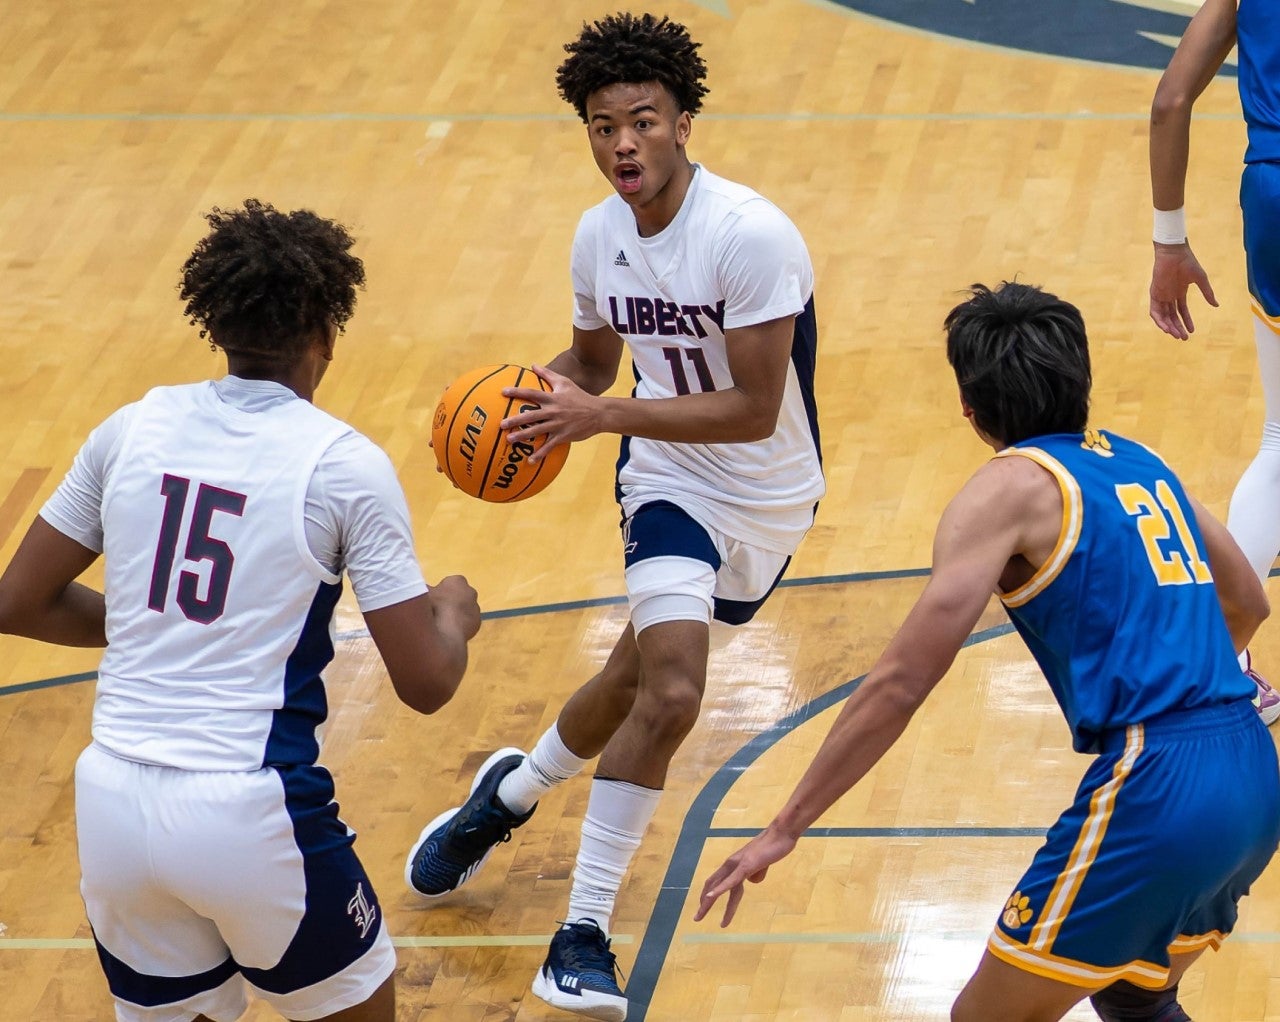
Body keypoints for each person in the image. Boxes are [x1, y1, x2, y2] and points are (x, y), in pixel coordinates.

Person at [696, 281, 1280, 1022]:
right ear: (1082, 381)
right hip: (1251, 769)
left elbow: (900, 683)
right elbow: (1248, 602)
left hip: (1162, 780)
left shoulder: (1007, 488)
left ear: (972, 412)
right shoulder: (1142, 464)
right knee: (1137, 996)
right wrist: (1181, 677)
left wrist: (785, 827)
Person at [403, 12, 824, 1021]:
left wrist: (600, 410)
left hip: (767, 490)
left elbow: (754, 408)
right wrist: (526, 408)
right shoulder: (598, 237)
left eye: (641, 121)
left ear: (684, 122)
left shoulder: (747, 235)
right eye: (601, 127)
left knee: (631, 674)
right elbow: (592, 364)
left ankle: (507, 792)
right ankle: (581, 931)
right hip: (665, 480)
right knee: (673, 691)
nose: (621, 144)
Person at [0, 199, 482, 1022]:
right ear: (327, 330)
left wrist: (166, 630)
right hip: (248, 809)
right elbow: (427, 682)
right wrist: (455, 614)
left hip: (112, 800)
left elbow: (18, 600)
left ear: (214, 321)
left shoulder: (130, 427)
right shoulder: (342, 465)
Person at [1147, 0, 1280, 724]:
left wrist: (1169, 242)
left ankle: (1222, 662)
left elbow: (1171, 98)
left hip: (1273, 190)